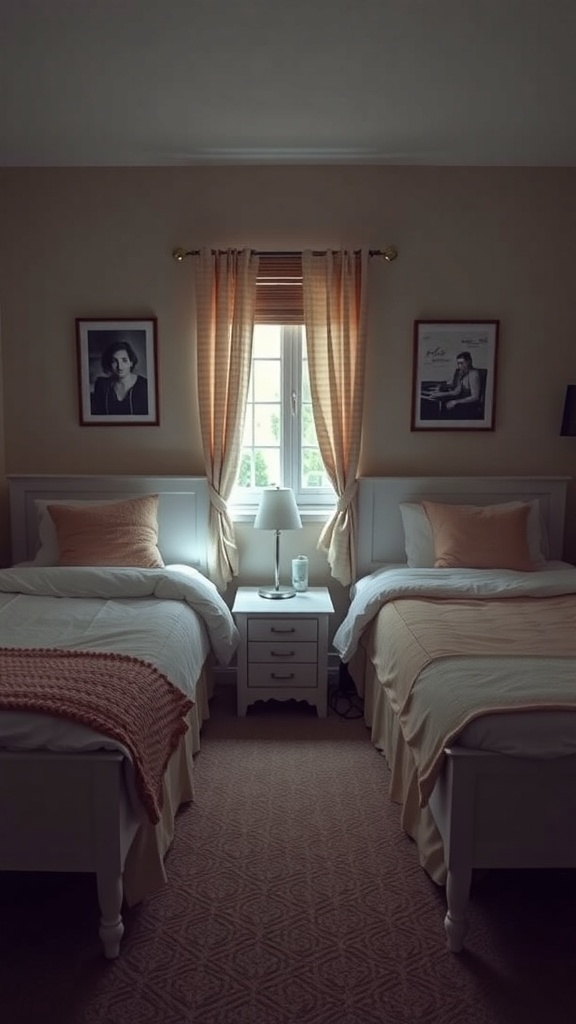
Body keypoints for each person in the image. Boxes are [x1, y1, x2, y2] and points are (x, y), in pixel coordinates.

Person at [91, 339, 149, 416]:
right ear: (109, 364)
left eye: (124, 360)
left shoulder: (145, 385)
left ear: (131, 362)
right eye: (114, 361)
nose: (119, 366)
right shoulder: (101, 385)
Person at [429, 351, 484, 419]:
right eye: (458, 363)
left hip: (470, 406)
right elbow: (457, 391)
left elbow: (475, 397)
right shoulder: (461, 373)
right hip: (461, 401)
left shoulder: (474, 374)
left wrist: (455, 402)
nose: (459, 366)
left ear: (468, 362)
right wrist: (441, 392)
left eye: (461, 363)